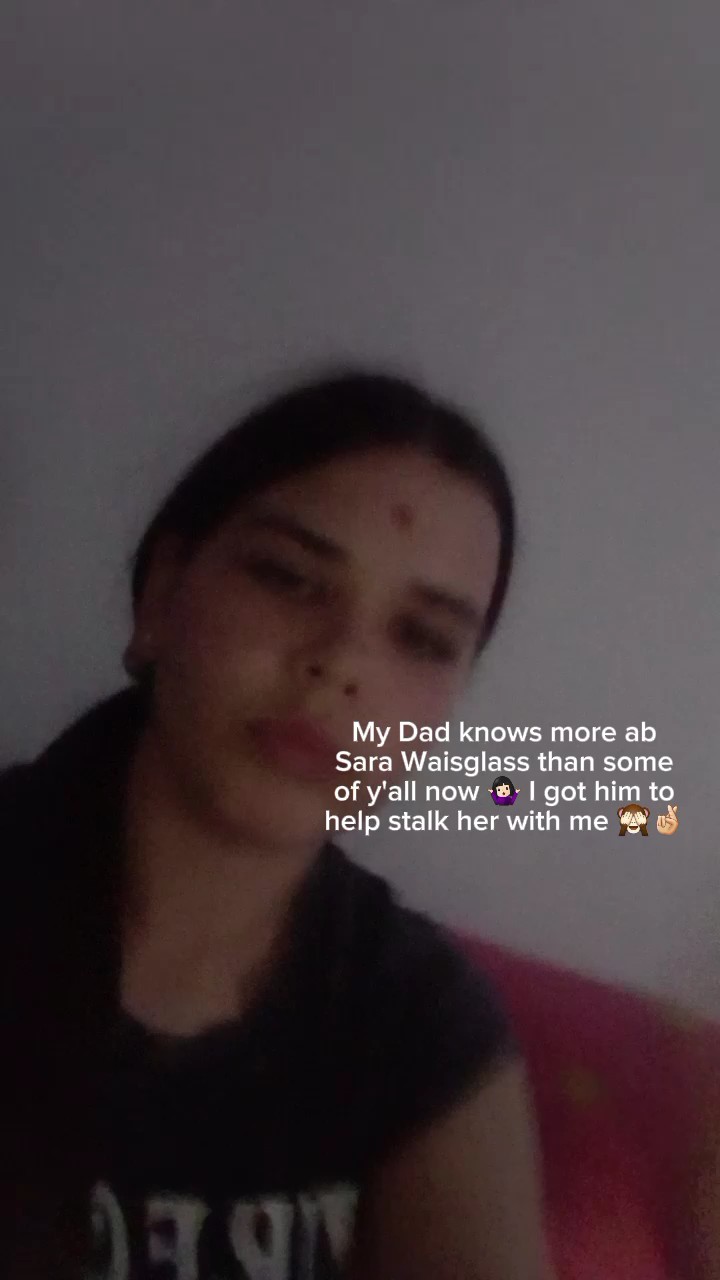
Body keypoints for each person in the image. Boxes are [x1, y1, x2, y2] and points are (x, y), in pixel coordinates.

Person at [1, 368, 556, 1279]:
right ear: (162, 595)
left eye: (421, 638)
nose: (340, 663)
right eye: (290, 579)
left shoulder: (417, 1015)